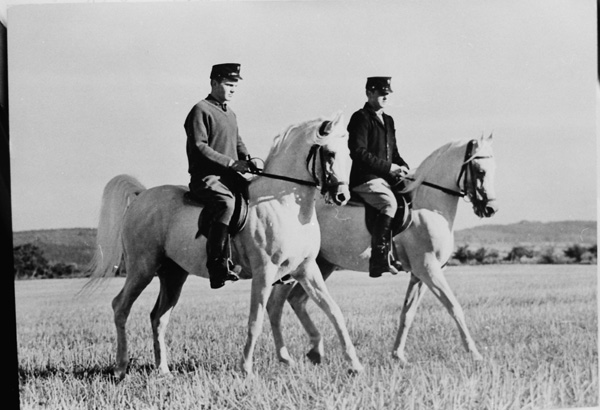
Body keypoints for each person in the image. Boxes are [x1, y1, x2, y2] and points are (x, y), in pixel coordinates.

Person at [184, 63, 254, 289]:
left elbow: (237, 141)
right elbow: (200, 146)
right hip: (207, 178)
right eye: (228, 84)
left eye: (235, 85)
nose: (232, 89)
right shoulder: (200, 110)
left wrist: (248, 158)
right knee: (226, 204)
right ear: (214, 83)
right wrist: (231, 163)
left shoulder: (230, 113)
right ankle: (217, 267)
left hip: (230, 177)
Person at [347, 76, 410, 278]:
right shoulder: (360, 117)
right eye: (381, 93)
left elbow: (394, 154)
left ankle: (403, 252)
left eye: (387, 93)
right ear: (369, 93)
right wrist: (389, 167)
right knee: (388, 204)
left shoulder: (388, 120)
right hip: (366, 179)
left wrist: (405, 168)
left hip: (386, 178)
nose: (385, 97)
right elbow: (358, 152)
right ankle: (379, 259)